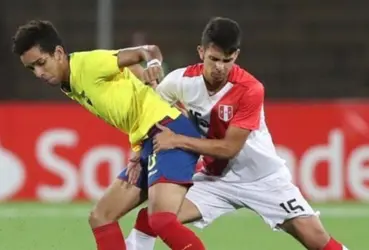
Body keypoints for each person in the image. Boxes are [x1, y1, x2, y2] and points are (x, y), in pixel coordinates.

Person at [125, 17, 349, 250]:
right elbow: (150, 116)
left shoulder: (250, 89)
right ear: (201, 52)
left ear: (236, 56)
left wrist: (177, 140)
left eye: (227, 60)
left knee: (317, 241)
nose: (219, 67)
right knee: (154, 219)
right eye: (213, 59)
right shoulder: (179, 81)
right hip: (216, 179)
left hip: (264, 179)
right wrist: (136, 154)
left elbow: (229, 148)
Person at [12, 20, 206, 250]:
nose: (39, 73)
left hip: (168, 131)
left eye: (41, 63)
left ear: (58, 53)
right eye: (31, 68)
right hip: (148, 140)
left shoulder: (88, 64)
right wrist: (136, 152)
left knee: (160, 220)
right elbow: (131, 96)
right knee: (101, 217)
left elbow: (147, 51)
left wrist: (153, 63)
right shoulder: (70, 83)